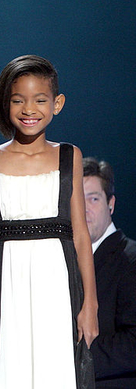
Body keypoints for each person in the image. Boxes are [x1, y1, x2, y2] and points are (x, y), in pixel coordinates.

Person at [0, 55, 97, 388]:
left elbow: (80, 235)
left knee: (59, 370)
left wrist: (90, 304)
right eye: (18, 100)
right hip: (7, 285)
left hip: (58, 286)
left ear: (57, 104)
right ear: (5, 104)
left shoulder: (70, 156)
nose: (29, 109)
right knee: (12, 368)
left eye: (40, 100)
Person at [83, 157, 136, 387]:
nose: (84, 208)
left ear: (111, 204)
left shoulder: (131, 259)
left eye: (93, 198)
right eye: (76, 199)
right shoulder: (61, 263)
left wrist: (71, 359)